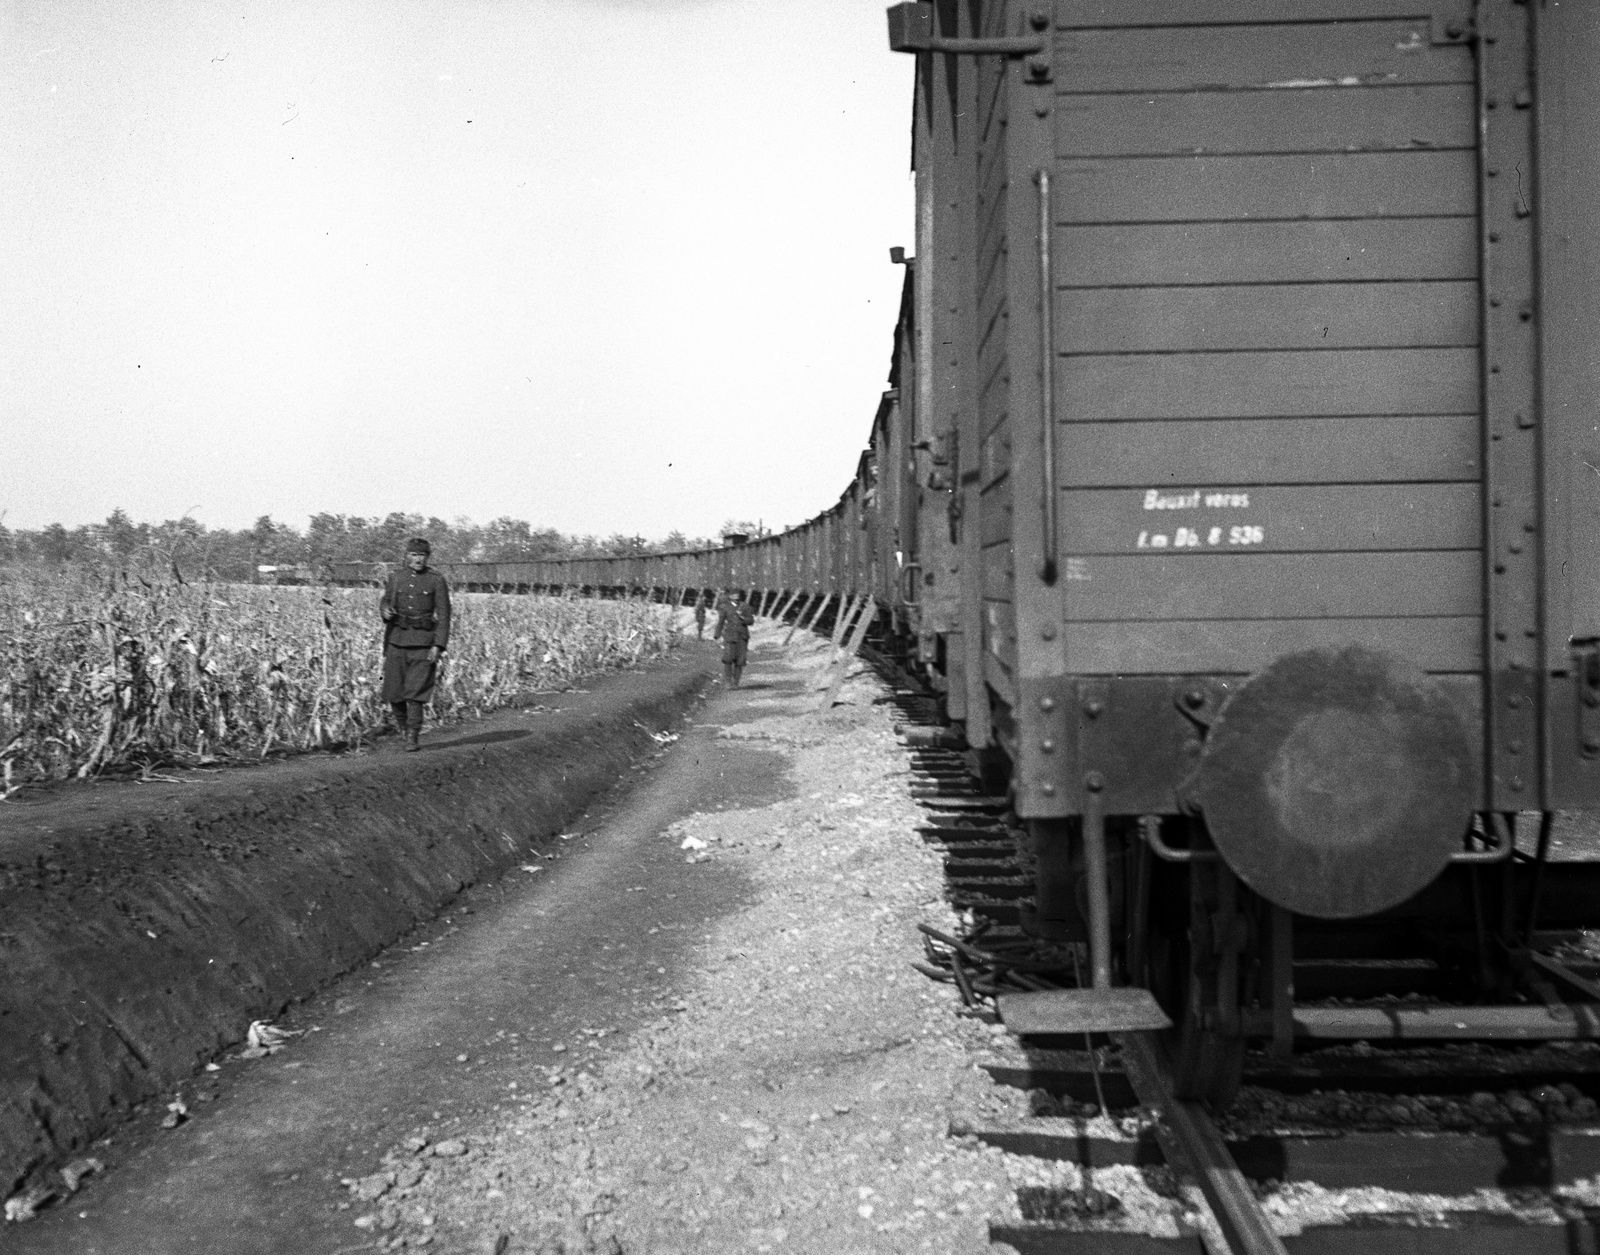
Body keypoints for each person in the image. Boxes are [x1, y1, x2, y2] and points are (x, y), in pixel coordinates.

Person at [379, 538, 452, 751]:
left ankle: (412, 735)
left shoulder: (436, 580)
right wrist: (384, 610)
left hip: (423, 642)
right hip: (396, 640)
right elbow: (385, 601)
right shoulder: (396, 577)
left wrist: (438, 646)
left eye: (421, 555)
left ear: (427, 557)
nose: (417, 559)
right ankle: (403, 727)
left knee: (416, 693)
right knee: (393, 692)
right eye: (413, 555)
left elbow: (445, 616)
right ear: (406, 556)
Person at [714, 590, 755, 688]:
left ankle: (736, 682)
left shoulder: (745, 606)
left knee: (740, 661)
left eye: (737, 595)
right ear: (730, 596)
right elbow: (721, 622)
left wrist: (743, 619)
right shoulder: (725, 607)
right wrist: (717, 634)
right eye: (734, 595)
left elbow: (751, 620)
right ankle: (728, 682)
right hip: (730, 636)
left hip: (742, 636)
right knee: (728, 659)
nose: (736, 596)